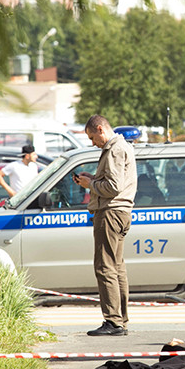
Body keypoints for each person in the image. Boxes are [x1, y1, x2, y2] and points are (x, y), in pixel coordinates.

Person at [74, 115, 137, 337]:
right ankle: (120, 320)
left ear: (101, 129)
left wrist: (91, 184)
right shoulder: (121, 147)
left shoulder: (115, 149)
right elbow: (113, 181)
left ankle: (113, 321)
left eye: (92, 137)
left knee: (105, 267)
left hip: (110, 212)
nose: (93, 143)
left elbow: (113, 187)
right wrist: (92, 178)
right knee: (116, 267)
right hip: (119, 212)